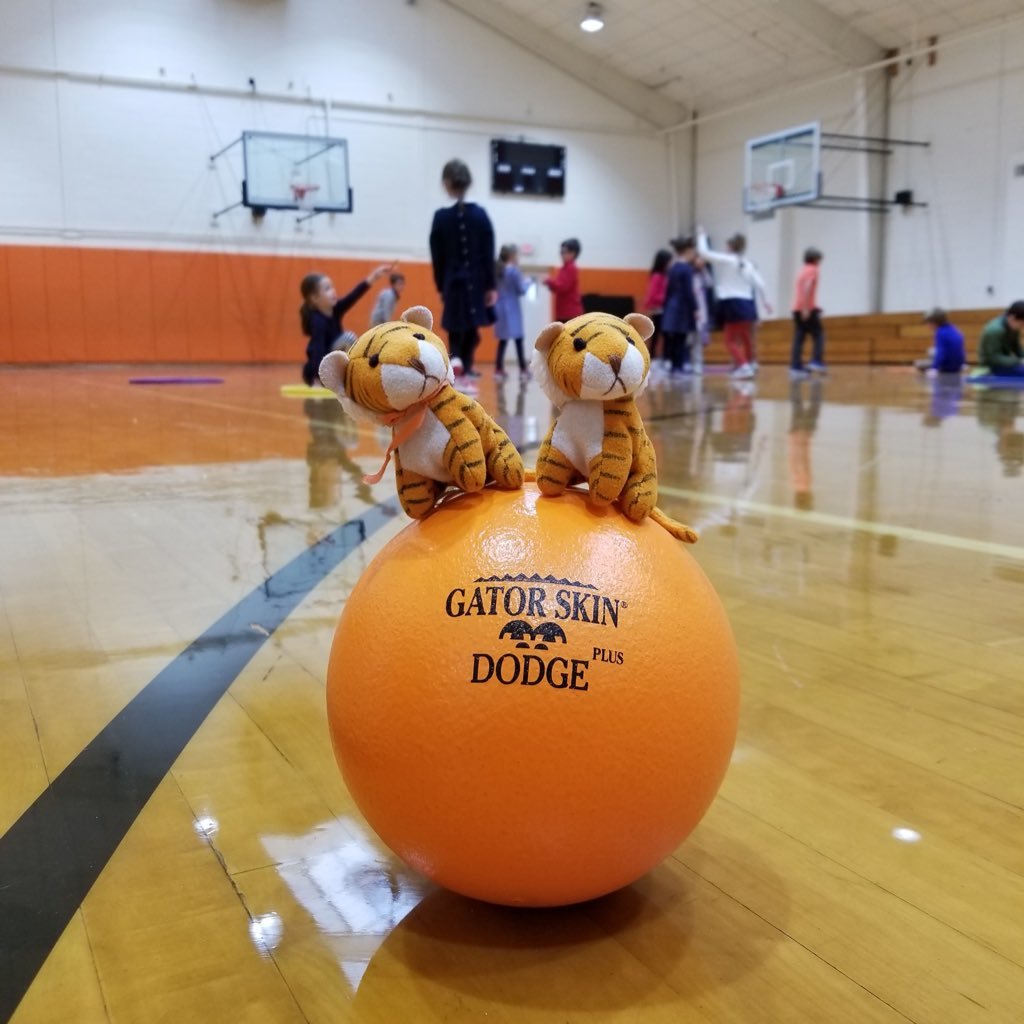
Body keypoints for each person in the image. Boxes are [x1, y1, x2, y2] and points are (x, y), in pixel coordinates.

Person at [429, 159, 496, 382]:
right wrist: (491, 285)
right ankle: (464, 365)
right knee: (471, 327)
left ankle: (458, 362)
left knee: (456, 327)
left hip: (453, 281)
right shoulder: (480, 214)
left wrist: (440, 284)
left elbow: (437, 256)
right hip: (477, 281)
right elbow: (488, 252)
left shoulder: (441, 217)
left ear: (446, 183)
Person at [697, 228, 772, 379]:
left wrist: (701, 236)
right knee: (745, 337)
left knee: (729, 339)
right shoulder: (747, 263)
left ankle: (743, 365)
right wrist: (766, 301)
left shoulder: (728, 260)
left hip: (732, 303)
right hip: (747, 304)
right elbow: (761, 284)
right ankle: (750, 363)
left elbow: (704, 253)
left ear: (730, 246)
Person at [299, 265, 392, 386]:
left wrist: (373, 277)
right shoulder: (317, 321)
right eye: (327, 289)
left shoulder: (335, 309)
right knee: (348, 338)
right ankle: (326, 378)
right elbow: (317, 350)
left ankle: (348, 375)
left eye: (332, 287)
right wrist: (317, 379)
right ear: (315, 298)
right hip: (315, 370)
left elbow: (353, 296)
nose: (332, 291)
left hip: (331, 360)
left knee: (353, 343)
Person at [493, 244, 534, 378]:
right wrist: (528, 282)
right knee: (518, 339)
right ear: (511, 255)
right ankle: (523, 369)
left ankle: (498, 369)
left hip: (500, 307)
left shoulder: (498, 270)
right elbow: (521, 290)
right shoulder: (513, 271)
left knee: (503, 340)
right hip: (512, 308)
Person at [661, 236, 697, 376]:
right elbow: (689, 291)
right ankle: (679, 367)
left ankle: (674, 366)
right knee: (681, 338)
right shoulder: (686, 269)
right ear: (687, 250)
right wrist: (695, 308)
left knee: (674, 338)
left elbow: (668, 290)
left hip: (671, 306)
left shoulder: (673, 267)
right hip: (682, 308)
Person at [790, 247, 826, 378]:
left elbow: (802, 290)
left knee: (799, 337)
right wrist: (806, 307)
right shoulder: (813, 269)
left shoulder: (802, 270)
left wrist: (813, 306)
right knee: (819, 334)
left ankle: (795, 366)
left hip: (796, 309)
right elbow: (808, 287)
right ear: (815, 259)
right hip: (806, 309)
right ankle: (816, 360)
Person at [976, 300, 1024, 377]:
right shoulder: (995, 330)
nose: (1022, 327)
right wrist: (1018, 361)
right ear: (1012, 318)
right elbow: (992, 358)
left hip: (1005, 362)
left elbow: (1017, 348)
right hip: (991, 365)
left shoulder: (1014, 326)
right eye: (1022, 324)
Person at [642, 249, 673, 366]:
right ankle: (653, 358)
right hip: (658, 310)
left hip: (662, 309)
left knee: (662, 335)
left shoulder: (664, 276)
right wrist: (667, 298)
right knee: (657, 335)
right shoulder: (657, 276)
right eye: (669, 262)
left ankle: (659, 358)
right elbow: (653, 295)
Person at [544, 238, 583, 321]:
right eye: (561, 252)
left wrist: (549, 281)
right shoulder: (564, 268)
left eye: (565, 252)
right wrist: (551, 285)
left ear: (573, 253)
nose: (562, 255)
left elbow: (563, 286)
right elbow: (559, 287)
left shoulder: (571, 268)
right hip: (564, 312)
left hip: (570, 313)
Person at [917, 308, 965, 374]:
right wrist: (962, 363)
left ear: (934, 322)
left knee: (918, 363)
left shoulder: (940, 332)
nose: (927, 325)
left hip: (947, 367)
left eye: (928, 322)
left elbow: (941, 353)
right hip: (958, 365)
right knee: (931, 351)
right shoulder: (954, 328)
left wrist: (934, 368)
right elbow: (960, 349)